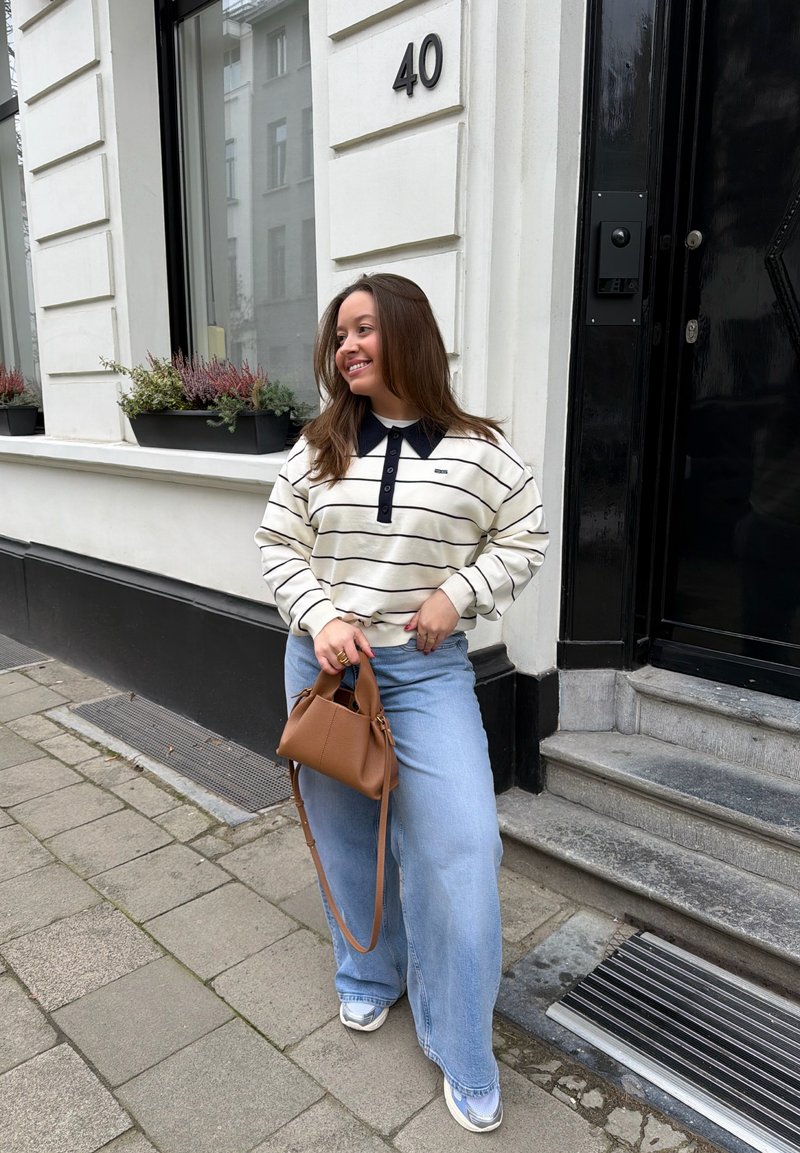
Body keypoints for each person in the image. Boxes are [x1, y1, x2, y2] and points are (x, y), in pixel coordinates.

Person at [255, 273, 547, 1133]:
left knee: (461, 844)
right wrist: (318, 616)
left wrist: (458, 594)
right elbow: (279, 542)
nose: (346, 346)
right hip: (325, 670)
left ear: (409, 335)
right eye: (339, 334)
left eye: (365, 330)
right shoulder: (316, 447)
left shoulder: (481, 450)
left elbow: (524, 533)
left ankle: (462, 1041)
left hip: (423, 675)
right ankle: (368, 974)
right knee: (346, 830)